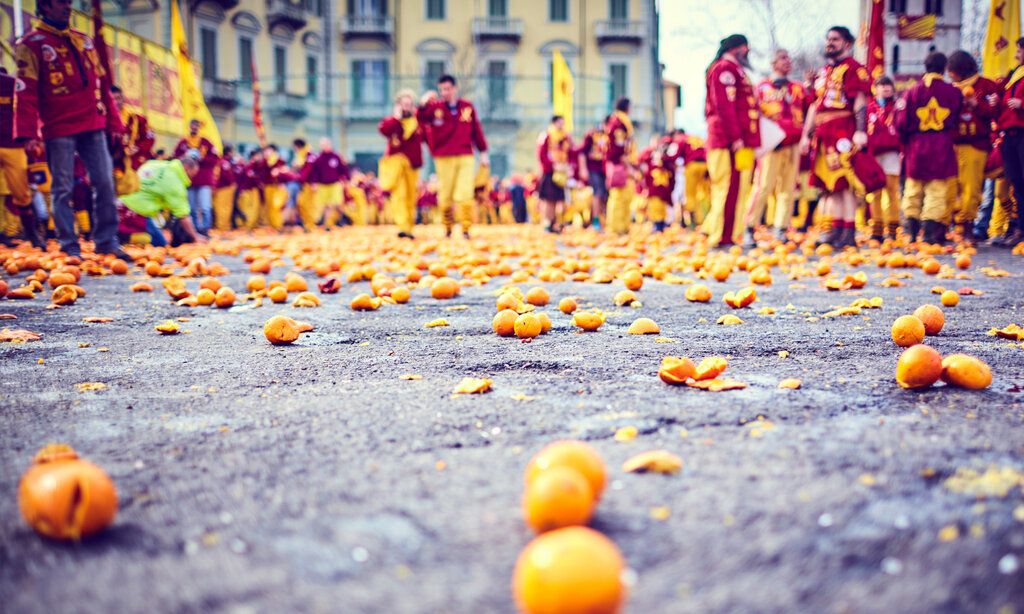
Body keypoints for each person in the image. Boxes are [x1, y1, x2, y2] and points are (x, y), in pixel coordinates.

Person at [15, 0, 127, 258]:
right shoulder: (30, 44)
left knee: (104, 181)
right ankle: (69, 245)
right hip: (58, 126)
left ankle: (107, 241)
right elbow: (26, 92)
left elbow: (103, 85)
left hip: (93, 123)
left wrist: (114, 121)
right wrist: (30, 133)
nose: (67, 6)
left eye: (69, 1)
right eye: (60, 2)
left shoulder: (84, 41)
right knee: (62, 188)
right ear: (44, 7)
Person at [800, 26, 872, 248]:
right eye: (828, 38)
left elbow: (860, 101)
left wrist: (860, 130)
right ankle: (837, 230)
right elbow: (814, 106)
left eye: (835, 39)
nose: (830, 43)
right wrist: (805, 135)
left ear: (847, 44)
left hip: (843, 132)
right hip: (822, 136)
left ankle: (849, 232)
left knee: (845, 183)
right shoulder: (823, 72)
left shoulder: (855, 69)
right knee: (831, 187)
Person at [894, 52, 962, 245]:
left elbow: (900, 123)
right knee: (936, 190)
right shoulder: (953, 92)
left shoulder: (912, 92)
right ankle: (929, 234)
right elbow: (957, 120)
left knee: (913, 189)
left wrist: (907, 141)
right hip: (941, 146)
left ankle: (913, 233)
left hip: (916, 146)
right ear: (944, 69)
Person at [743, 48, 806, 245]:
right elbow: (753, 113)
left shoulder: (798, 88)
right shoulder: (762, 88)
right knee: (763, 186)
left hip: (793, 143)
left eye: (789, 58)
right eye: (782, 58)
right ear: (773, 63)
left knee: (788, 188)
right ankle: (749, 226)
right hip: (771, 144)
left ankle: (781, 228)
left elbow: (808, 109)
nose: (788, 61)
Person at [704, 34, 761, 247]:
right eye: (746, 49)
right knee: (726, 187)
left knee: (740, 188)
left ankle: (730, 233)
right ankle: (720, 235)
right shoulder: (723, 69)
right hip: (728, 141)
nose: (748, 53)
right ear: (738, 48)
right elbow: (724, 106)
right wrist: (735, 137)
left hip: (744, 142)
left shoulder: (736, 70)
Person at [418, 75, 489, 238]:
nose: (445, 92)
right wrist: (423, 103)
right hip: (443, 156)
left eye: (448, 89)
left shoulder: (467, 107)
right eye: (442, 89)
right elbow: (420, 119)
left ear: (455, 89)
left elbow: (476, 131)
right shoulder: (434, 108)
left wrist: (483, 152)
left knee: (465, 192)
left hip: (465, 154)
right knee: (446, 194)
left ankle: (465, 228)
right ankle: (448, 226)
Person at [944, 51, 998, 245]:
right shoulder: (950, 89)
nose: (950, 75)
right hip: (952, 145)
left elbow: (996, 113)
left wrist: (977, 105)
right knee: (951, 186)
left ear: (961, 70)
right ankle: (952, 225)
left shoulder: (986, 86)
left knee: (971, 188)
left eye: (952, 71)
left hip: (976, 145)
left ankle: (967, 227)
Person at [119, 155, 205, 246]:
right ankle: (126, 237)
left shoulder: (155, 163)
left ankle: (121, 234)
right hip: (138, 212)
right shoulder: (176, 184)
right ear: (187, 168)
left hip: (121, 203)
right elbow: (183, 216)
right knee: (160, 243)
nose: (192, 177)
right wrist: (195, 237)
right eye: (193, 173)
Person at [1, 69, 42, 247]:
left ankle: (33, 235)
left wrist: (32, 136)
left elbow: (30, 108)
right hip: (12, 145)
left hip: (13, 145)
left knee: (21, 193)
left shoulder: (14, 84)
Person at [991, 37, 1024, 247]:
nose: (1016, 55)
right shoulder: (1015, 74)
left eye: (1020, 51)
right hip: (1010, 135)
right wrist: (997, 103)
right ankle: (1019, 228)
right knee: (1017, 183)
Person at [379, 90, 424, 238]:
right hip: (397, 165)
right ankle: (402, 226)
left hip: (412, 165)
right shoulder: (393, 122)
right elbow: (383, 130)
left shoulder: (418, 121)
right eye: (404, 104)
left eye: (410, 104)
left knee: (411, 196)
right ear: (399, 105)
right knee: (400, 195)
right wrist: (396, 117)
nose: (407, 107)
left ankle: (409, 227)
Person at [865, 76, 902, 242]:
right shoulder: (868, 109)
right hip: (873, 155)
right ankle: (877, 228)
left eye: (888, 86)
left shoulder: (898, 108)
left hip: (892, 153)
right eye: (882, 86)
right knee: (875, 192)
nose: (886, 89)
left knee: (892, 191)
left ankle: (892, 228)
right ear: (875, 89)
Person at [173, 119, 219, 235]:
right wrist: (185, 157)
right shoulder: (183, 142)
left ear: (199, 127)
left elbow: (215, 159)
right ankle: (194, 231)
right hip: (189, 181)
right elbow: (175, 157)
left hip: (204, 180)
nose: (194, 128)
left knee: (205, 207)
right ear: (189, 127)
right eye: (192, 126)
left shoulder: (206, 142)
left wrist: (201, 159)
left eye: (196, 126)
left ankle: (205, 230)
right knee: (191, 207)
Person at [299, 138, 347, 231]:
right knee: (324, 205)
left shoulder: (336, 157)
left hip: (334, 184)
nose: (325, 147)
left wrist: (345, 179)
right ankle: (326, 223)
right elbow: (315, 172)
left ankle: (338, 218)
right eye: (323, 145)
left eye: (326, 144)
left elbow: (343, 169)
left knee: (335, 204)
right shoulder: (319, 158)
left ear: (330, 145)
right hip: (322, 185)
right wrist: (314, 183)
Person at [604, 98, 636, 235]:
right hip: (619, 165)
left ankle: (622, 226)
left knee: (626, 196)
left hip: (621, 163)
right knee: (618, 197)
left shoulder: (620, 122)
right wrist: (629, 164)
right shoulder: (618, 123)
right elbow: (618, 148)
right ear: (627, 107)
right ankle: (616, 228)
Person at [537, 115, 571, 233]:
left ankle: (555, 222)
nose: (561, 126)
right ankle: (548, 222)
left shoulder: (565, 137)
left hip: (561, 173)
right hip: (550, 172)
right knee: (549, 199)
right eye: (560, 123)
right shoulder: (546, 136)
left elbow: (570, 151)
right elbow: (541, 155)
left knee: (558, 199)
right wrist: (552, 165)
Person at [580, 118, 609, 229]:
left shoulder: (609, 135)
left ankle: (601, 219)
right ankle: (595, 220)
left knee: (604, 195)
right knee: (597, 193)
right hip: (593, 169)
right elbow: (582, 152)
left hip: (604, 170)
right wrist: (583, 169)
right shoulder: (592, 135)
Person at [212, 145, 236, 231]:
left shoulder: (219, 162)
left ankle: (221, 225)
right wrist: (232, 183)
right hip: (224, 188)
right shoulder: (224, 163)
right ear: (229, 152)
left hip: (219, 188)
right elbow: (227, 176)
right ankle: (223, 227)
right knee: (224, 207)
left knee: (220, 207)